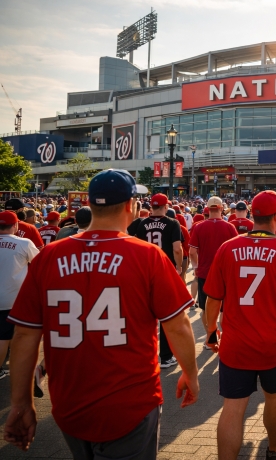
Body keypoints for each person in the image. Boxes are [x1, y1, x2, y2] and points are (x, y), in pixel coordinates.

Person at [3, 169, 199, 458]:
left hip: (69, 401)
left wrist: (21, 403)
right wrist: (191, 373)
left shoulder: (50, 255)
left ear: (91, 205)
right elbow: (179, 326)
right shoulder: (147, 256)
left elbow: (24, 334)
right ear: (131, 205)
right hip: (131, 399)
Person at [203, 190, 276, 460]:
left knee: (233, 407)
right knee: (275, 397)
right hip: (275, 343)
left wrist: (210, 332)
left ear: (253, 215)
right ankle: (274, 448)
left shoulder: (228, 248)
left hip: (236, 342)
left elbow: (213, 299)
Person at [135, 194, 185, 368]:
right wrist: (179, 267)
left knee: (145, 316)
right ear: (165, 207)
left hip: (145, 272)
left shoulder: (142, 223)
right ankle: (165, 356)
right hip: (165, 271)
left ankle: (144, 355)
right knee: (167, 316)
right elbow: (177, 248)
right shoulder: (172, 223)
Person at [189, 196, 239, 344]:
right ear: (221, 208)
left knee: (205, 308)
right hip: (225, 273)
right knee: (224, 308)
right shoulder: (229, 227)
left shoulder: (199, 227)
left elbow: (192, 252)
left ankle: (210, 336)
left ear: (208, 209)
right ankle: (224, 336)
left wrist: (196, 267)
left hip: (205, 272)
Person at [0, 211, 39, 379]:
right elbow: (39, 264)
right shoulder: (24, 243)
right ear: (15, 225)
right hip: (12, 298)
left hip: (11, 297)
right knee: (4, 336)